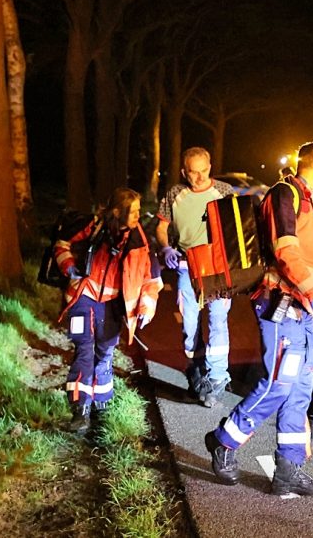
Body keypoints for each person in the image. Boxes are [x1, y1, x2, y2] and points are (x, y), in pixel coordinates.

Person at [206, 142, 313, 498]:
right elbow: (285, 249)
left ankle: (289, 470)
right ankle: (224, 440)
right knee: (278, 384)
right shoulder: (287, 194)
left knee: (299, 390)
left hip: (301, 309)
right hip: (284, 305)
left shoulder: (307, 200)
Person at [55, 188, 162, 434]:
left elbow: (151, 279)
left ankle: (101, 405)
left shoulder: (139, 242)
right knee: (84, 349)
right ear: (117, 211)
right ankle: (80, 410)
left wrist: (146, 306)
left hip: (113, 303)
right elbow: (62, 245)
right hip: (83, 297)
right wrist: (70, 267)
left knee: (104, 352)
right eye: (132, 211)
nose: (138, 216)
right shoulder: (92, 228)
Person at [156, 147, 241, 407]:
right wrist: (165, 247)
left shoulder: (225, 192)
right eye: (194, 173)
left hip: (217, 268)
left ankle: (217, 377)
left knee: (217, 320)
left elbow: (237, 226)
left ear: (210, 166)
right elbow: (161, 227)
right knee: (189, 323)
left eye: (204, 171)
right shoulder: (175, 194)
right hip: (186, 266)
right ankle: (196, 369)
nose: (201, 177)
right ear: (185, 172)